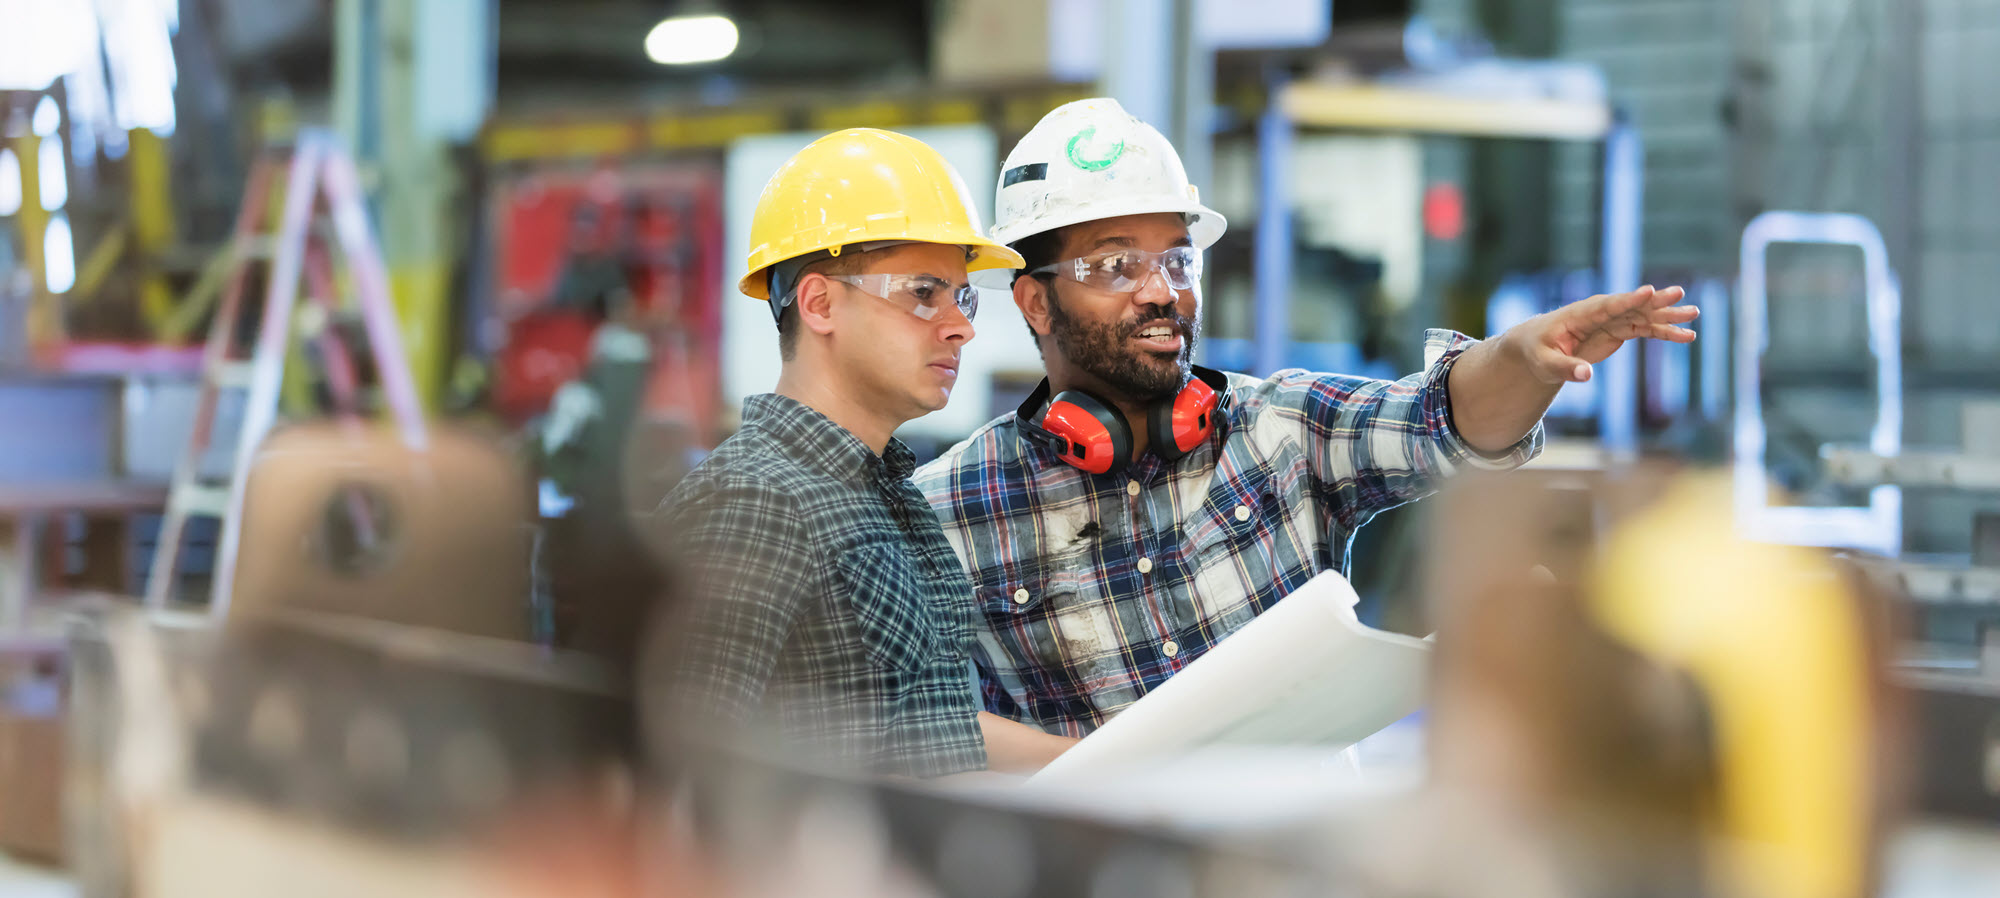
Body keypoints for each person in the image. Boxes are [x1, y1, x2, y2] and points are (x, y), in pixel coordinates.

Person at [915, 98, 1699, 738]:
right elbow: (930, 738)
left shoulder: (1281, 428)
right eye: (1117, 265)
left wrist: (1525, 358)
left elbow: (1444, 419)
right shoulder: (948, 511)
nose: (1162, 292)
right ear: (1034, 301)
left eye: (1178, 259)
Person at [646, 128, 1071, 777]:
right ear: (820, 304)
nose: (961, 326)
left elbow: (927, 727)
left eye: (960, 296)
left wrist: (1112, 766)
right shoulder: (755, 502)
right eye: (922, 293)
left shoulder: (890, 499)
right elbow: (672, 762)